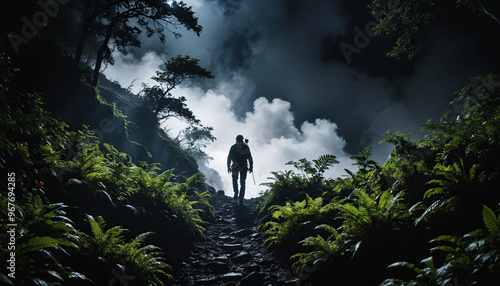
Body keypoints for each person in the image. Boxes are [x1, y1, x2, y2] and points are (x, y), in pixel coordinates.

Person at [227, 135, 253, 205]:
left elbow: (229, 157)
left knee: (235, 179)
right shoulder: (245, 147)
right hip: (244, 166)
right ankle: (241, 198)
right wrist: (251, 167)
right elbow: (250, 158)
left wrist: (228, 166)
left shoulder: (233, 147)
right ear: (242, 139)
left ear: (236, 140)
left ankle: (236, 193)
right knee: (243, 182)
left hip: (235, 166)